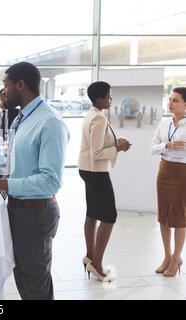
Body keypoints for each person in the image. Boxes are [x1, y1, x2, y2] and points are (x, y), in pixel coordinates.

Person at [0, 62, 70, 300]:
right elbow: (15, 165)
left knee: (35, 285)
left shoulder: (49, 122)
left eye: (6, 85)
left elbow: (51, 181)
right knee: (24, 279)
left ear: (20, 85)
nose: (4, 91)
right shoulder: (23, 118)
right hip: (19, 210)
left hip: (36, 214)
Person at [78, 81, 131, 282]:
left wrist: (116, 145)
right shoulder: (99, 118)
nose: (111, 100)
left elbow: (94, 148)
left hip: (86, 169)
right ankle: (97, 265)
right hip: (96, 171)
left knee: (92, 213)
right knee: (109, 216)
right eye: (109, 96)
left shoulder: (90, 114)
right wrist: (118, 147)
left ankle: (89, 256)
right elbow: (98, 152)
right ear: (99, 99)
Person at [150, 87, 186, 277]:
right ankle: (167, 256)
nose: (170, 103)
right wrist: (167, 145)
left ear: (185, 105)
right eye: (170, 99)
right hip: (164, 171)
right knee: (163, 215)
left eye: (175, 100)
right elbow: (152, 148)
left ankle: (176, 258)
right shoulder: (164, 123)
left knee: (179, 216)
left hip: (182, 173)